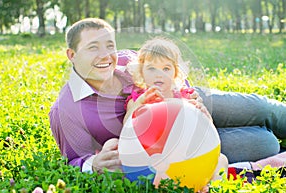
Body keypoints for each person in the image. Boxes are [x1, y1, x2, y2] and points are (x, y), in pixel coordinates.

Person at [49, 18, 286, 175]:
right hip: (171, 141)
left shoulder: (126, 59)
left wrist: (192, 99)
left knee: (263, 109)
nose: (106, 55)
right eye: (93, 48)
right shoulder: (66, 109)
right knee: (264, 143)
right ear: (72, 54)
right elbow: (73, 161)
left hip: (186, 101)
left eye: (109, 45)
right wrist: (94, 165)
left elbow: (169, 68)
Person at [122, 36, 228, 187]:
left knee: (221, 159)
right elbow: (126, 129)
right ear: (141, 72)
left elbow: (207, 131)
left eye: (166, 68)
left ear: (175, 72)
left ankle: (212, 189)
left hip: (185, 155)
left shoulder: (185, 96)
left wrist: (202, 113)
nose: (159, 74)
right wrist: (138, 104)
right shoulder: (138, 99)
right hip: (151, 157)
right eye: (152, 68)